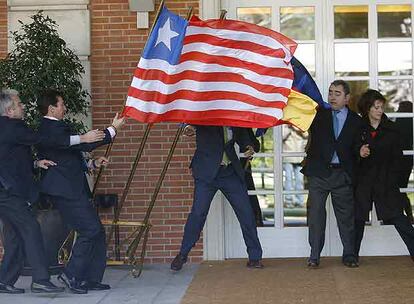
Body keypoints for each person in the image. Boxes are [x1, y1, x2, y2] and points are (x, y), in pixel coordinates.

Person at [0, 89, 104, 294]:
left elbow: (10, 158)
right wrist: (82, 138)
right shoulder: (12, 127)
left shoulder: (8, 128)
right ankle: (40, 279)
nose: (23, 107)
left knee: (14, 236)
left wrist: (36, 162)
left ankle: (4, 281)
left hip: (9, 190)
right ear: (10, 111)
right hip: (8, 193)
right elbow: (45, 139)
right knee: (31, 229)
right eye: (19, 104)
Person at [36, 89, 125, 294]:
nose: (65, 107)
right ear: (51, 108)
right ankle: (71, 275)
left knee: (97, 232)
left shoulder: (56, 128)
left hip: (72, 188)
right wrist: (111, 130)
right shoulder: (49, 127)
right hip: (66, 191)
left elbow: (70, 156)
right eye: (62, 104)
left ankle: (90, 278)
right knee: (90, 230)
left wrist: (91, 163)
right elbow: (81, 143)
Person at [171, 125, 263, 271]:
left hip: (229, 172)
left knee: (246, 213)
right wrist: (188, 127)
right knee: (198, 214)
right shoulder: (208, 111)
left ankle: (255, 257)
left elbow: (244, 137)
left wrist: (249, 146)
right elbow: (190, 123)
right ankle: (182, 255)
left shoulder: (233, 116)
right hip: (206, 173)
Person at [301, 80, 361, 268]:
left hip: (342, 175)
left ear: (347, 98)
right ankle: (314, 255)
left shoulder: (356, 120)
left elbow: (356, 145)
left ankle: (349, 255)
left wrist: (361, 150)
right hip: (319, 174)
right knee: (316, 216)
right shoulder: (318, 116)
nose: (332, 97)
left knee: (346, 218)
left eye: (337, 93)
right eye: (330, 93)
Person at [354, 90, 414, 263]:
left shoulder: (392, 129)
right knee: (358, 219)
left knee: (398, 217)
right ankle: (351, 256)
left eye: (381, 107)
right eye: (376, 107)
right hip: (363, 181)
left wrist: (394, 178)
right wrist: (360, 152)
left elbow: (399, 157)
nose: (380, 110)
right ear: (367, 109)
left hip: (386, 180)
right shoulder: (357, 128)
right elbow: (351, 151)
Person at [394, 101, 414, 223]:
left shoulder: (399, 122)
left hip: (399, 159)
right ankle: (407, 214)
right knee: (402, 188)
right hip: (407, 159)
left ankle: (402, 215)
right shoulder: (410, 122)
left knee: (398, 188)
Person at [240, 128, 264, 227]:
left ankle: (256, 221)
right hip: (228, 169)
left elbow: (256, 145)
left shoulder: (243, 128)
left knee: (250, 197)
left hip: (243, 169)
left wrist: (250, 148)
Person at [283, 125, 307, 207]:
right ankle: (288, 201)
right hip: (287, 156)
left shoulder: (301, 124)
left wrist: (297, 128)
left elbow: (307, 135)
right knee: (288, 179)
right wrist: (289, 128)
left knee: (299, 180)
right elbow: (280, 137)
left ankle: (300, 201)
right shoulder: (284, 125)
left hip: (299, 156)